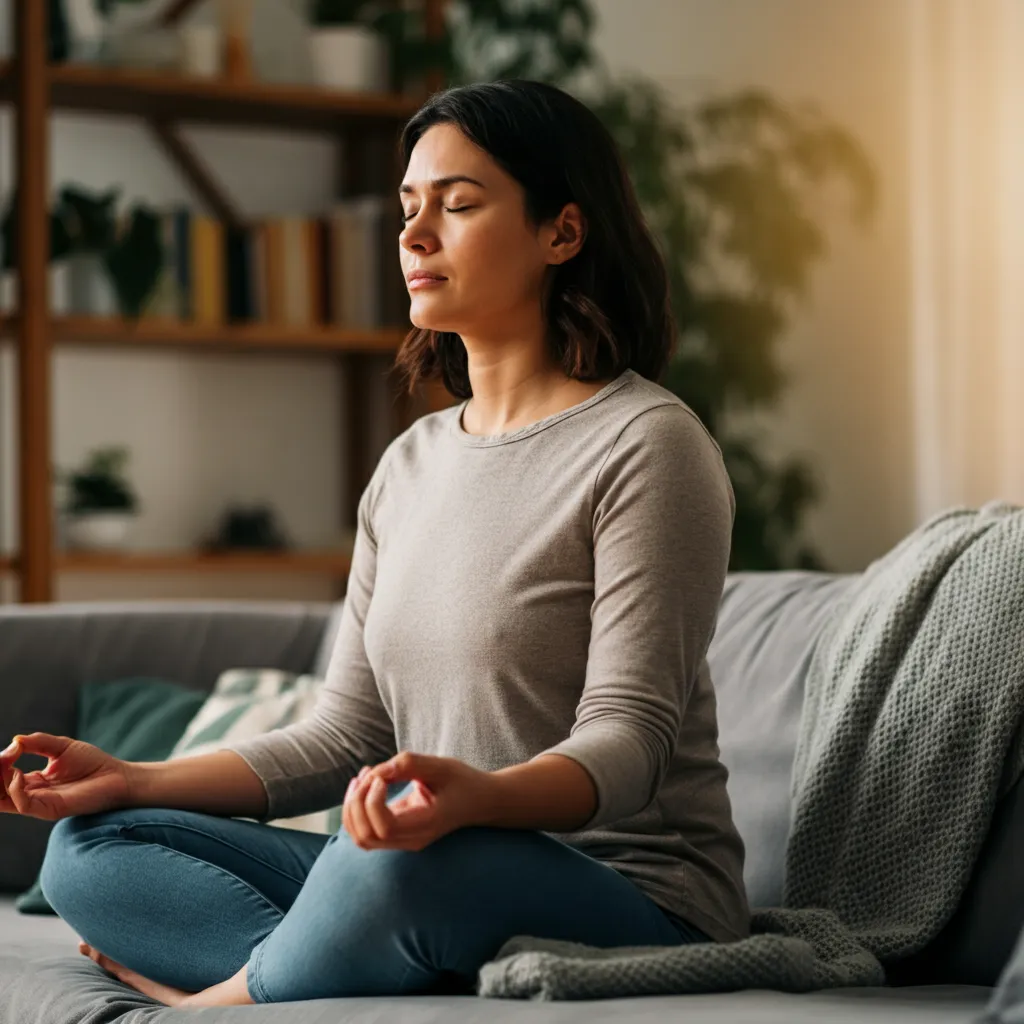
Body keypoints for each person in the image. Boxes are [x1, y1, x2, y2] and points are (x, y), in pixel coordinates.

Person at [0, 78, 750, 1008]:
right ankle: (334, 969)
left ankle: (217, 1001)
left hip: (630, 893)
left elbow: (629, 743)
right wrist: (136, 776)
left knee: (398, 866)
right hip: (418, 864)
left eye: (460, 204)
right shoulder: (410, 464)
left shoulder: (648, 445)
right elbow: (345, 734)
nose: (414, 234)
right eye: (408, 207)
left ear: (563, 232)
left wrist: (478, 799)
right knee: (91, 846)